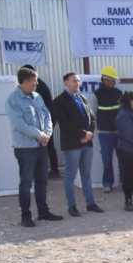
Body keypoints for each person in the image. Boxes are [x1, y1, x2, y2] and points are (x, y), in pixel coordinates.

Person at [5, 66, 61, 227]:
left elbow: (47, 115)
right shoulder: (13, 100)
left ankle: (43, 212)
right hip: (25, 148)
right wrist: (39, 135)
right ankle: (26, 216)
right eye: (34, 82)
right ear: (24, 81)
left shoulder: (37, 97)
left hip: (41, 145)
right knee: (26, 182)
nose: (36, 85)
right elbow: (19, 124)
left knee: (42, 181)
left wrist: (47, 134)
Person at [51, 71, 102, 216]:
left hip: (87, 143)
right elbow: (65, 124)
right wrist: (83, 134)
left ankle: (90, 203)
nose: (77, 83)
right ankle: (72, 206)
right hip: (72, 144)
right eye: (74, 80)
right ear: (66, 82)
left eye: (78, 80)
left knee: (86, 175)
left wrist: (89, 133)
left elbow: (92, 117)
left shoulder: (82, 98)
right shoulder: (59, 101)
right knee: (70, 176)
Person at [19, 65, 58, 179]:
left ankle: (49, 171)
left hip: (45, 118)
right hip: (46, 117)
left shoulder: (36, 85)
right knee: (46, 144)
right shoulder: (38, 83)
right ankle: (52, 170)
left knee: (44, 144)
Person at [95, 66, 123, 193]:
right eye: (112, 80)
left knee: (123, 158)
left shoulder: (118, 93)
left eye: (114, 80)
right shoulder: (97, 94)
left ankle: (125, 181)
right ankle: (107, 183)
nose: (114, 82)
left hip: (119, 132)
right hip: (105, 132)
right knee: (107, 160)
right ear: (105, 79)